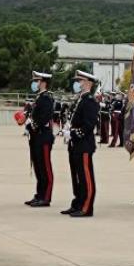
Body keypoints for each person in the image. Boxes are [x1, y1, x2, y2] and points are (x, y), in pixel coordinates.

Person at [62, 71, 99, 218]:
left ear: (88, 83)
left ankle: (86, 207)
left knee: (85, 177)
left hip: (84, 144)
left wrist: (73, 133)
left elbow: (89, 125)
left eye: (80, 80)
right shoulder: (80, 99)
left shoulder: (90, 101)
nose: (77, 83)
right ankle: (77, 202)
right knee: (76, 176)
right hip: (75, 144)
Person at [25, 72, 55, 208]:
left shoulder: (47, 98)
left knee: (45, 167)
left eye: (36, 80)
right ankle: (39, 194)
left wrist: (33, 125)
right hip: (37, 136)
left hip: (43, 135)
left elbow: (45, 117)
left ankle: (46, 196)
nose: (34, 83)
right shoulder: (39, 97)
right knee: (38, 166)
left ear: (43, 82)